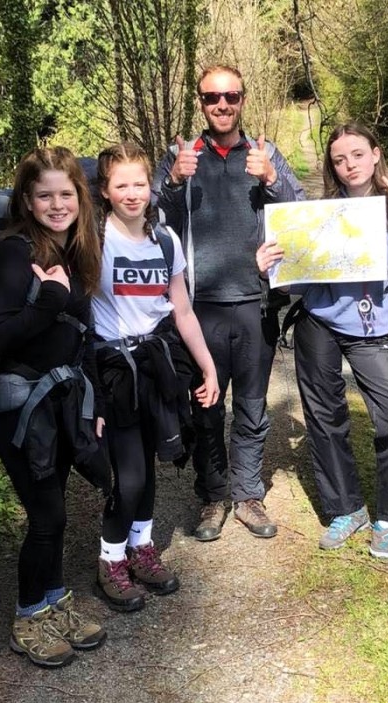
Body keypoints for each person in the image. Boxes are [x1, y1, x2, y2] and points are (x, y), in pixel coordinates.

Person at [255, 122, 388, 562]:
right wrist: (268, 265)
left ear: (376, 154)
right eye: (339, 159)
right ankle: (346, 509)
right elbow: (295, 273)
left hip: (372, 330)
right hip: (318, 322)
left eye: (357, 155)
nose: (349, 165)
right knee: (325, 418)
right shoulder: (321, 212)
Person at [154, 64, 304, 541]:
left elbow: (302, 216)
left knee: (253, 408)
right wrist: (174, 183)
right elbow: (151, 223)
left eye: (231, 96)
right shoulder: (180, 156)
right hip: (200, 309)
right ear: (200, 101)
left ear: (243, 99)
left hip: (256, 304)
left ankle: (248, 495)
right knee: (207, 408)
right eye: (211, 97)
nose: (222, 104)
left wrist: (273, 180)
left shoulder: (266, 154)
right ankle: (213, 495)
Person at [0, 147, 107, 668]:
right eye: (44, 195)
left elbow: (83, 335)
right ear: (27, 201)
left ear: (80, 196)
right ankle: (28, 616)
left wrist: (94, 401)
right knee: (46, 514)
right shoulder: (13, 253)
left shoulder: (74, 250)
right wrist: (49, 301)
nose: (57, 204)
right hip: (18, 406)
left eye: (66, 193)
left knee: (54, 510)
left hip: (60, 401)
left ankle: (54, 603)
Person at [91, 142, 219, 610]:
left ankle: (141, 548)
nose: (132, 193)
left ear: (151, 185)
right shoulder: (93, 241)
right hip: (113, 371)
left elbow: (181, 310)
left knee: (149, 468)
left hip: (156, 365)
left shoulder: (165, 240)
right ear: (104, 191)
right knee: (129, 476)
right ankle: (110, 560)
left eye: (139, 184)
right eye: (121, 185)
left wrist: (207, 366)